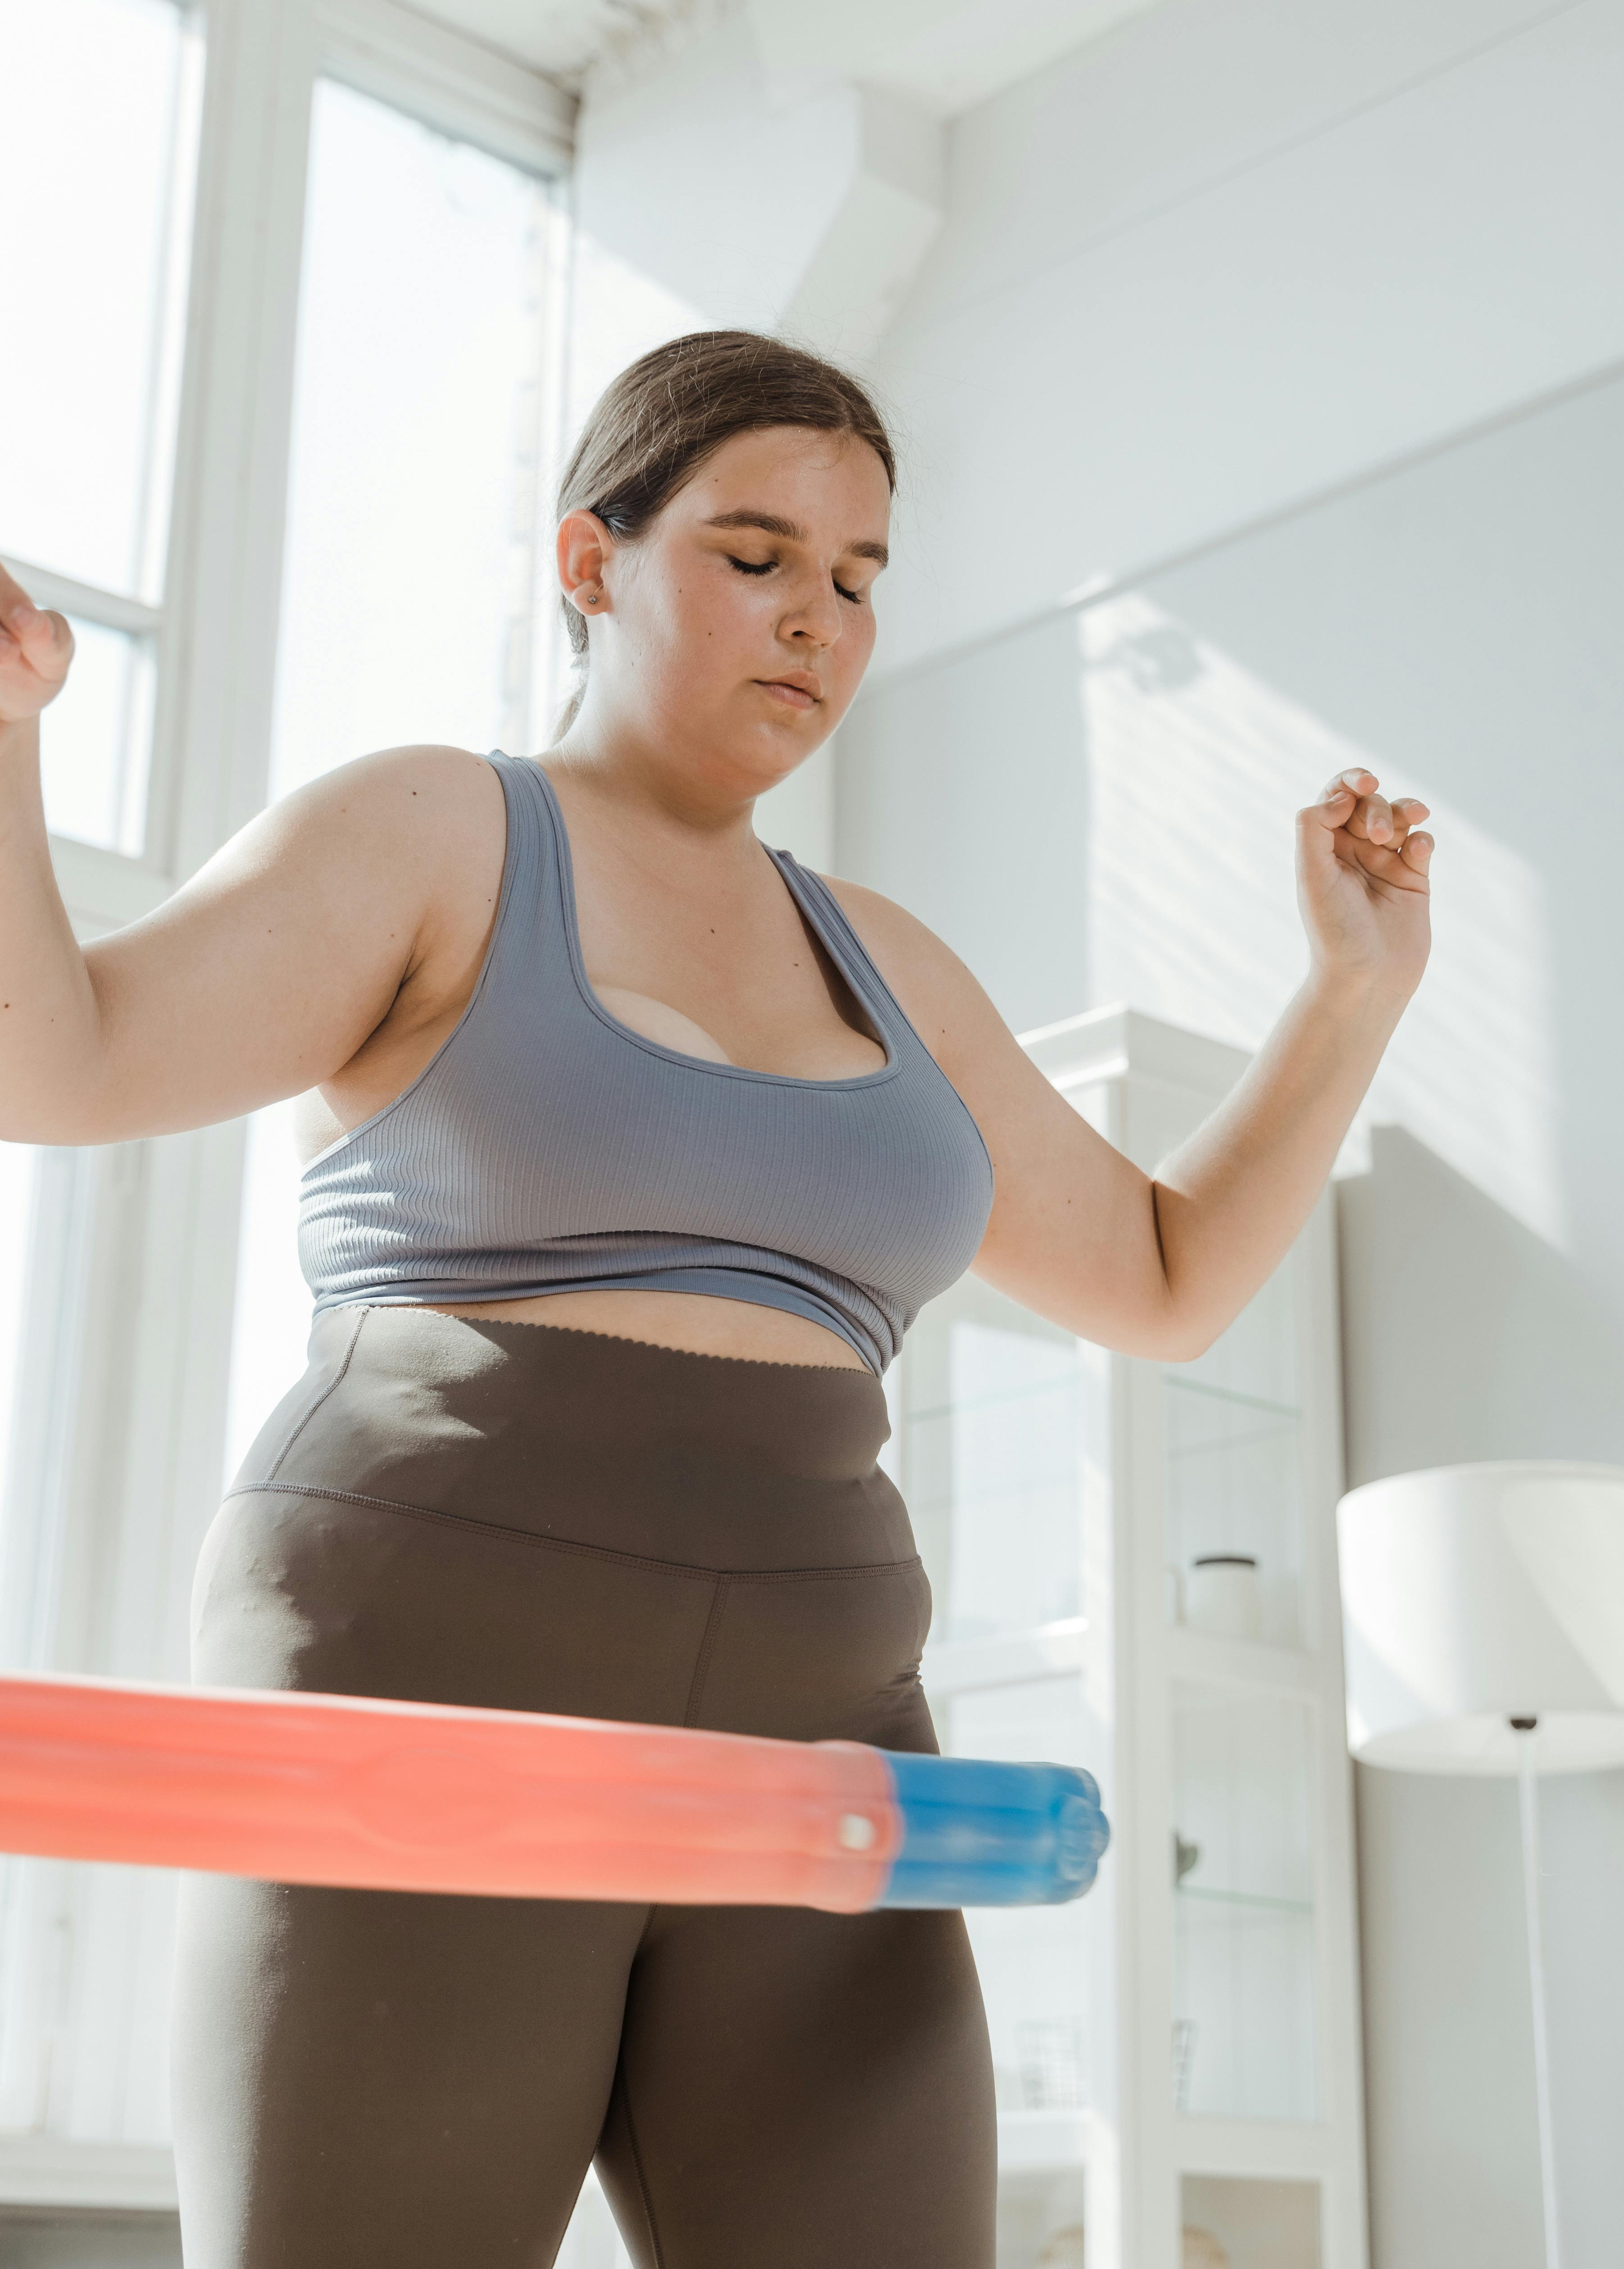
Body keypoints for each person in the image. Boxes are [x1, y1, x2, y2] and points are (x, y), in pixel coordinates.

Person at [0, 329, 1433, 2268]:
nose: (814, 621)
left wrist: (1348, 991)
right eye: (751, 553)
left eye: (856, 578)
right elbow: (58, 1063)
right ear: (588, 561)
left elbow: (1167, 1280)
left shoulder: (889, 962)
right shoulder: (437, 828)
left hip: (826, 1714)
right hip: (431, 1650)